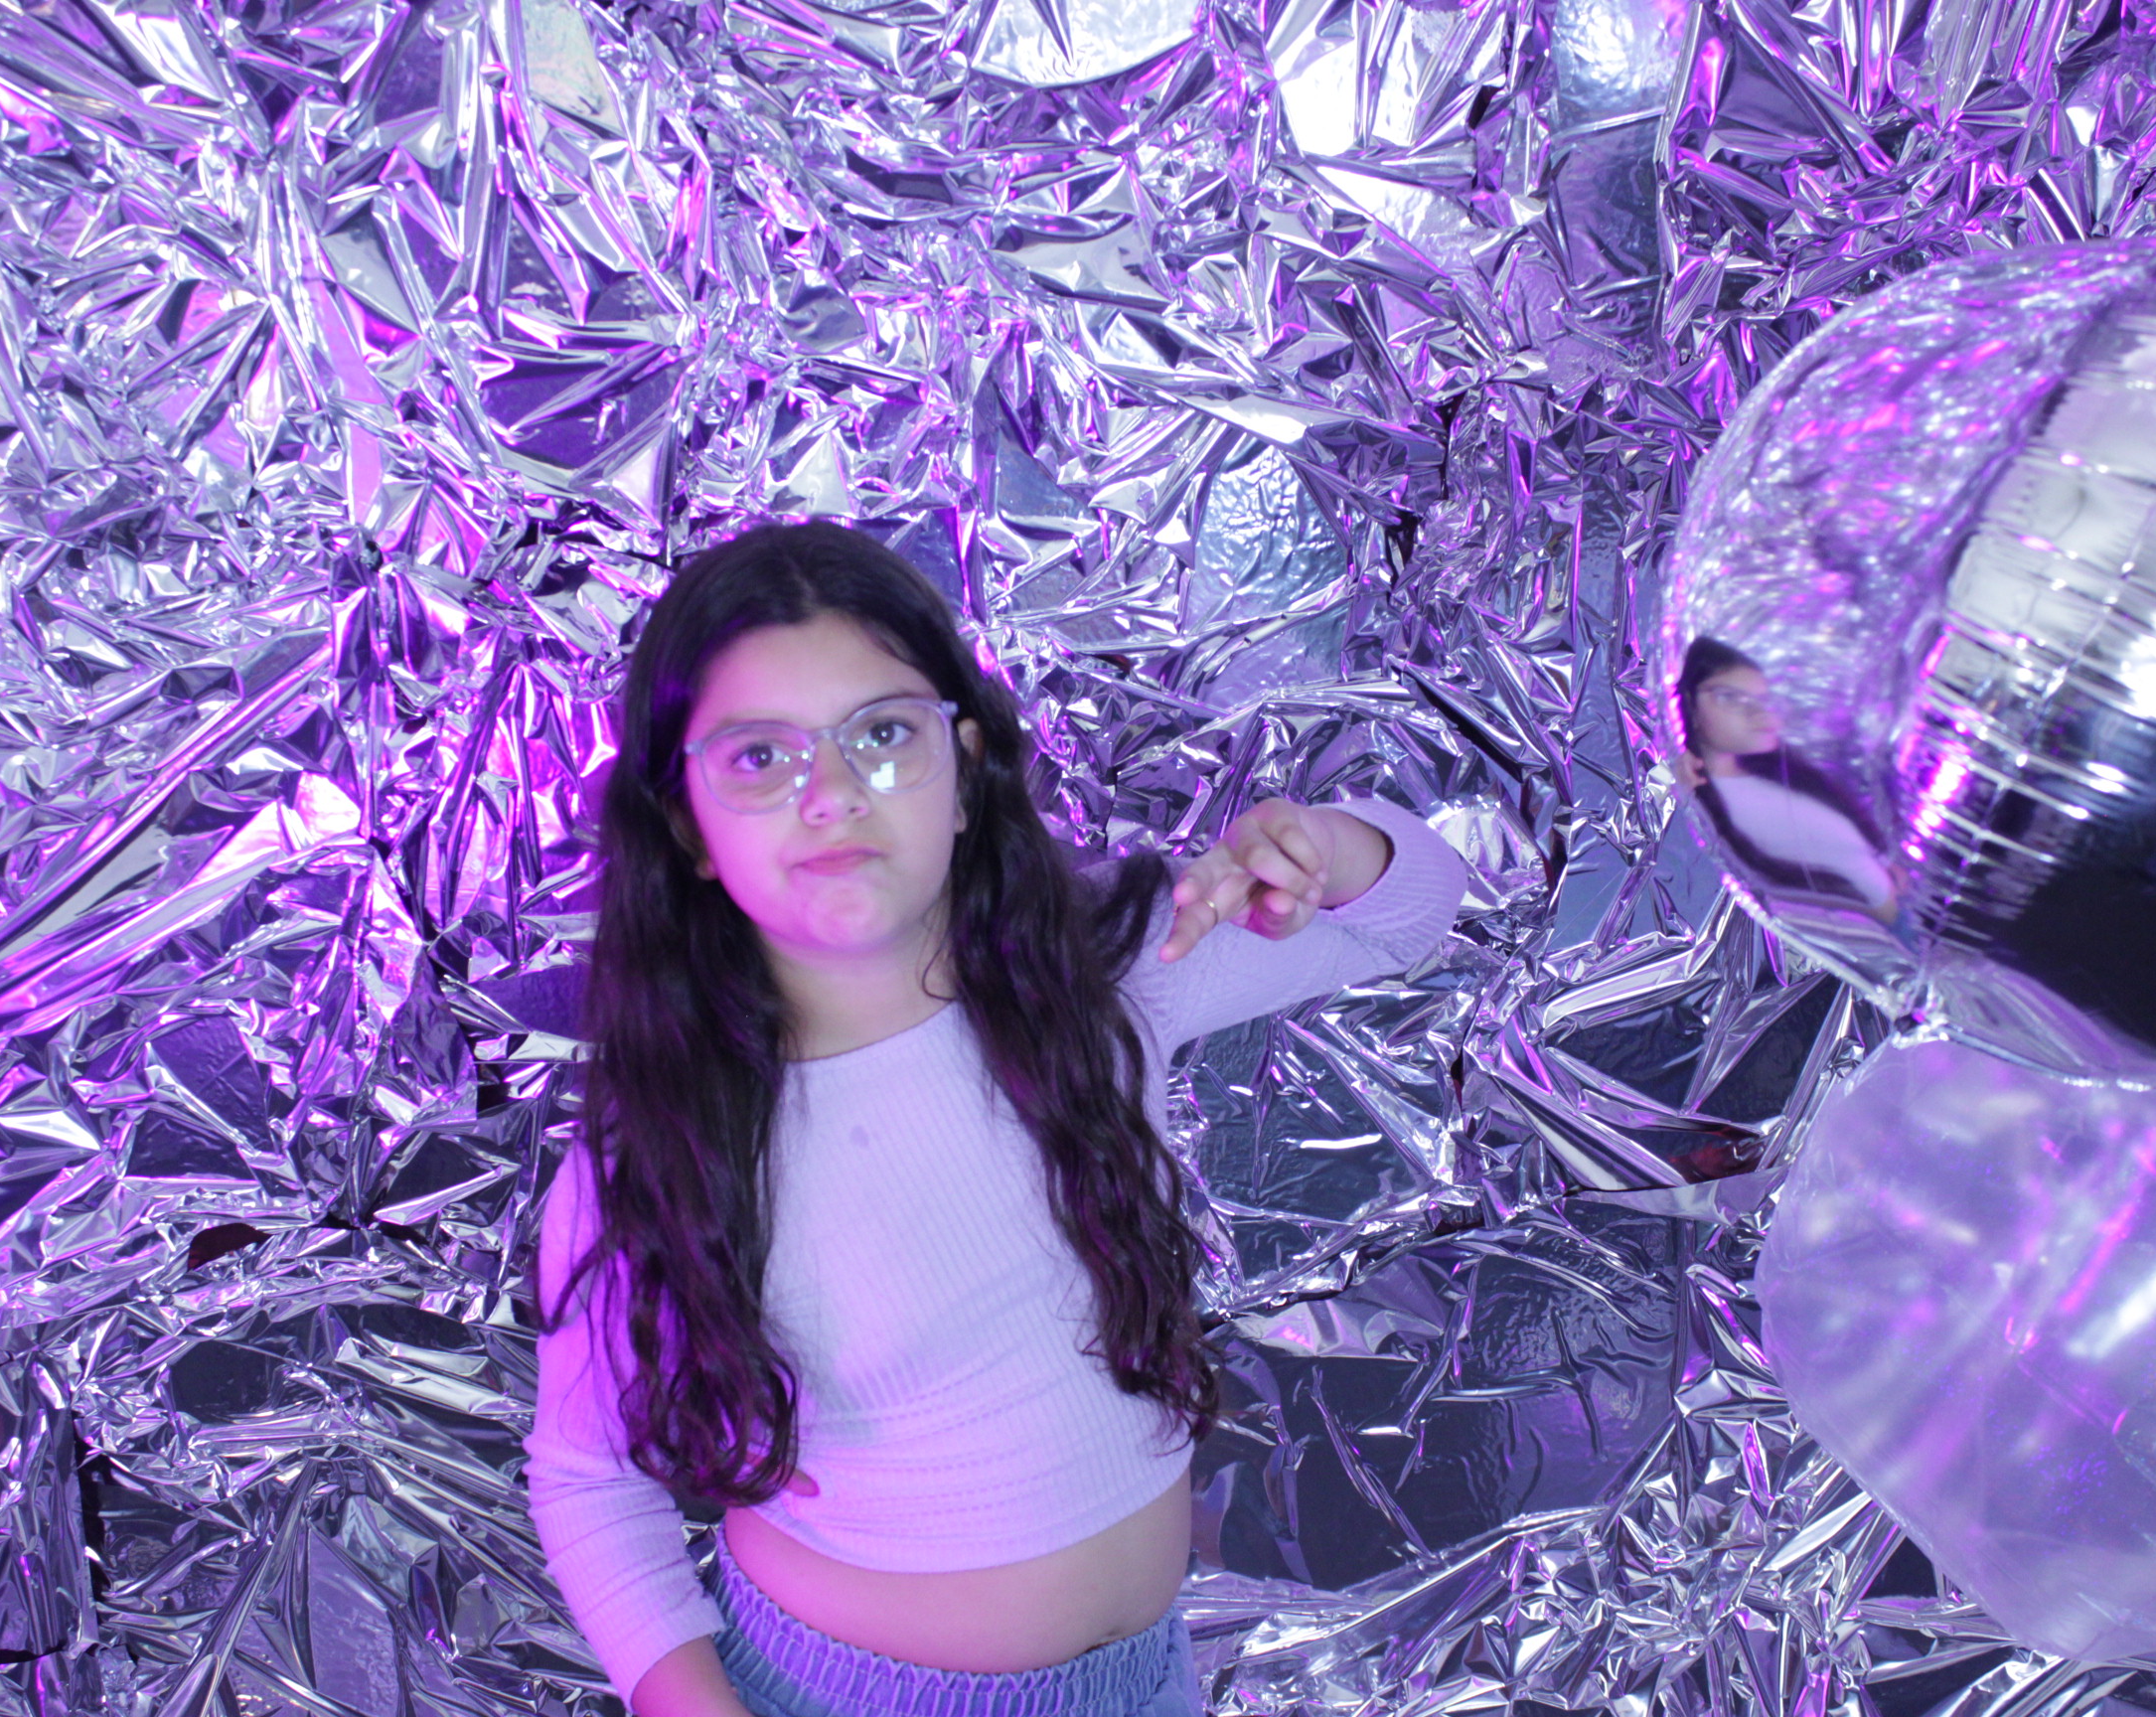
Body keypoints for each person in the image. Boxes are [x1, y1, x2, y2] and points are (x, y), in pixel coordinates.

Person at [524, 522, 1465, 1717]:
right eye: (760, 757)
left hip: (1146, 1686)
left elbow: (1415, 917)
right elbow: (587, 1478)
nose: (832, 795)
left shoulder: (1105, 975)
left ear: (965, 772)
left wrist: (1330, 846)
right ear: (687, 830)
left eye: (881, 735)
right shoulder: (660, 1144)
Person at [1674, 636, 1902, 926]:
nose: (1756, 713)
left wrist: (1884, 865)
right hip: (1872, 933)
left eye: (1762, 699)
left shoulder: (1781, 774)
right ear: (1689, 702)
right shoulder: (1696, 800)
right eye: (1729, 697)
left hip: (1898, 918)